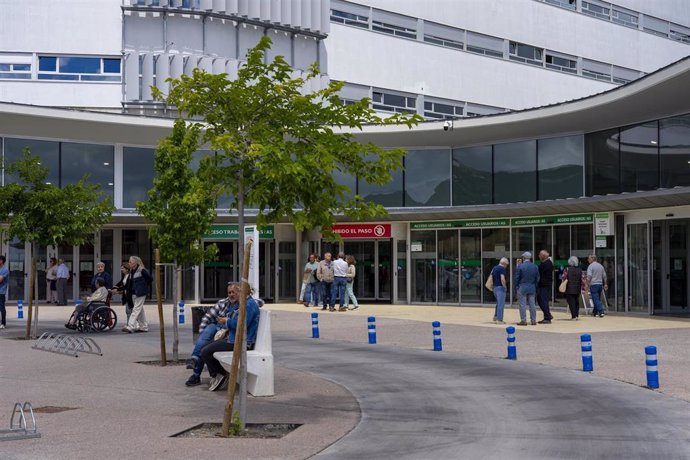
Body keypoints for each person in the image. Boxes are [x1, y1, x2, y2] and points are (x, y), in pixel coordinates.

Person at [198, 292, 261, 392]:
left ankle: (220, 374)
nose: (233, 295)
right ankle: (219, 374)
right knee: (204, 347)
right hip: (233, 339)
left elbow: (242, 325)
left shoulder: (248, 305)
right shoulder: (244, 303)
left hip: (241, 342)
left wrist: (226, 321)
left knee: (205, 351)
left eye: (235, 292)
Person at [185, 282, 238, 386]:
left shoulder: (243, 304)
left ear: (239, 293)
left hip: (226, 331)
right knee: (207, 332)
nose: (231, 294)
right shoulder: (223, 302)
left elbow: (259, 302)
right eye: (229, 292)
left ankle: (196, 374)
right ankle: (194, 359)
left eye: (234, 292)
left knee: (204, 347)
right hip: (217, 327)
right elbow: (208, 317)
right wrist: (202, 334)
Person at [122, 256, 152, 333]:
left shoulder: (142, 270)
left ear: (135, 262)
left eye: (130, 262)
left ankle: (130, 325)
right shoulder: (132, 271)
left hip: (140, 293)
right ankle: (144, 327)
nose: (129, 263)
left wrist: (143, 286)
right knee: (140, 310)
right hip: (134, 293)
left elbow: (150, 279)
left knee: (135, 309)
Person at [515, 251, 539, 326]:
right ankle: (533, 320)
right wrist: (535, 284)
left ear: (523, 258)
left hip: (522, 286)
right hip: (532, 286)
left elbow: (517, 278)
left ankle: (523, 320)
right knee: (532, 304)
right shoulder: (535, 266)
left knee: (522, 304)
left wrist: (516, 286)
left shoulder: (520, 266)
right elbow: (537, 278)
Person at [537, 250, 554, 324]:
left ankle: (547, 317)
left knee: (543, 301)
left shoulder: (546, 264)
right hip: (545, 284)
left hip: (544, 285)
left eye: (540, 255)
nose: (539, 256)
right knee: (541, 300)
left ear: (544, 256)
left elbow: (540, 273)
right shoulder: (547, 263)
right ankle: (548, 315)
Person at [491, 257, 509, 324]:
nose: (506, 266)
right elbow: (502, 278)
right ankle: (499, 319)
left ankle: (495, 316)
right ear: (504, 263)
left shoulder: (495, 268)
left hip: (495, 287)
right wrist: (505, 286)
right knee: (501, 304)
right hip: (500, 288)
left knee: (498, 303)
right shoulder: (502, 269)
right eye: (506, 265)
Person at [0, 255, 8, 329]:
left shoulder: (5, 270)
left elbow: (0, 280)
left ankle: (3, 323)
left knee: (2, 307)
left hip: (1, 291)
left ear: (2, 261)